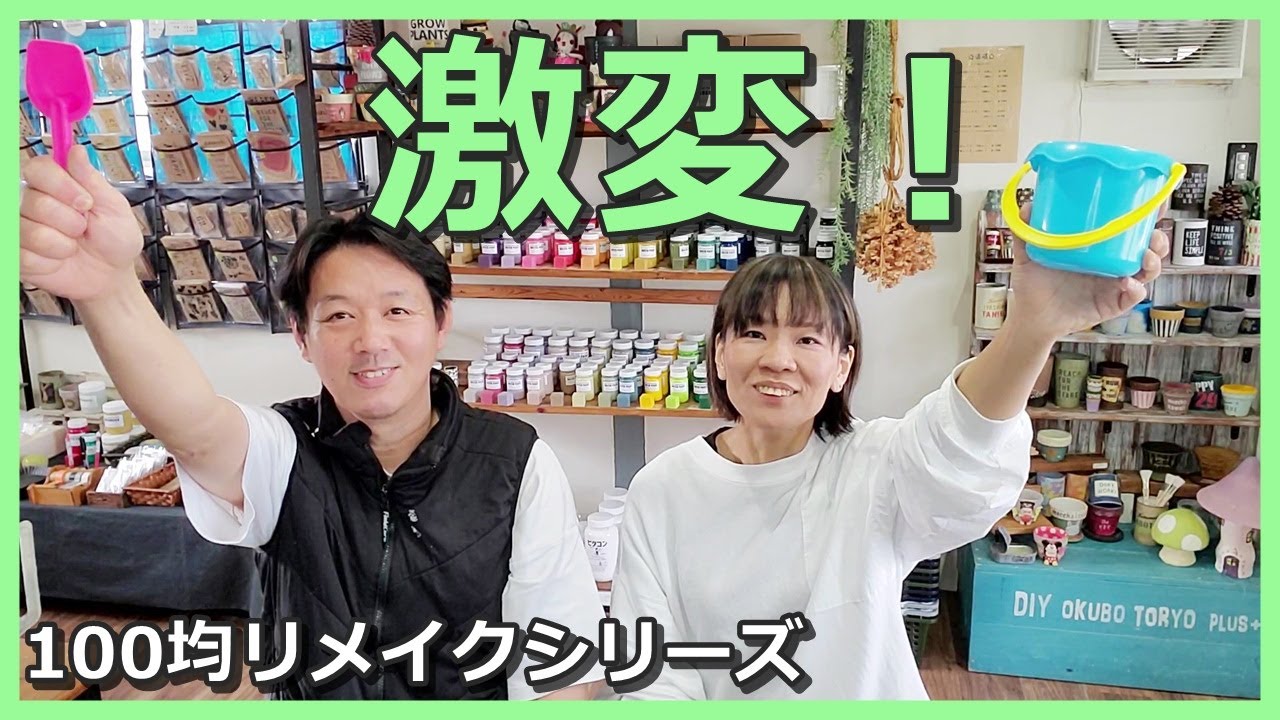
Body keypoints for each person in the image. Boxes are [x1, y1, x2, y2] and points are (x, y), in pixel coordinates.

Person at [18, 147, 605, 700]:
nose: (372, 340)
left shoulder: (514, 460)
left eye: (397, 310)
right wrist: (109, 289)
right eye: (340, 316)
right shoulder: (285, 450)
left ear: (439, 322)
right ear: (302, 336)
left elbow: (560, 658)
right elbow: (194, 429)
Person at [608, 226, 1167, 699]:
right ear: (718, 353)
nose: (777, 359)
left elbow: (961, 447)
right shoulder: (664, 487)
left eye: (807, 340)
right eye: (753, 333)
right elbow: (651, 665)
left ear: (842, 366)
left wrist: (1033, 326)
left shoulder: (873, 465)